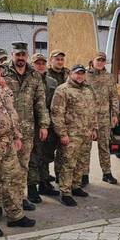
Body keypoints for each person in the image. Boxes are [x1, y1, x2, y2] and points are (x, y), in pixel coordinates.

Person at [0, 56, 35, 238]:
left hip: (8, 144)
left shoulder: (2, 89)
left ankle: (15, 215)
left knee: (13, 179)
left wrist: (17, 136)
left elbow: (12, 113)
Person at [2, 42, 50, 211]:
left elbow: (40, 102)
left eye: (23, 54)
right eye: (17, 54)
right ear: (12, 53)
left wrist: (44, 125)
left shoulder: (34, 75)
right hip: (5, 131)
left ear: (27, 55)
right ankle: (0, 203)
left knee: (23, 166)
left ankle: (20, 199)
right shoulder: (1, 72)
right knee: (4, 168)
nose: (20, 58)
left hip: (27, 130)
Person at [51, 64, 98, 207]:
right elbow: (56, 113)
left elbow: (93, 110)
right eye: (77, 73)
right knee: (68, 163)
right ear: (71, 73)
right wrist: (62, 134)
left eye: (82, 73)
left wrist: (94, 129)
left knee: (81, 162)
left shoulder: (88, 89)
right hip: (71, 135)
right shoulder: (62, 90)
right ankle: (65, 192)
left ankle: (75, 186)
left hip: (86, 133)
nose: (80, 76)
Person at [29, 53, 60, 202]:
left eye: (42, 63)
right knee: (34, 157)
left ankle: (44, 182)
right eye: (37, 63)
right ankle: (32, 187)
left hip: (48, 124)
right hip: (33, 124)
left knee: (47, 154)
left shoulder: (52, 81)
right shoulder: (29, 80)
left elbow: (55, 104)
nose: (40, 65)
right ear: (32, 64)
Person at [84, 52, 119, 185]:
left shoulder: (109, 77)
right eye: (98, 60)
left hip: (104, 117)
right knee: (85, 147)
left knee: (104, 146)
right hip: (87, 117)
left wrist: (115, 114)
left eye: (103, 60)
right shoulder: (84, 74)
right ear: (92, 61)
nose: (100, 62)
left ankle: (107, 173)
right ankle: (84, 174)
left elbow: (114, 96)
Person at [46, 49, 70, 183]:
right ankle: (44, 177)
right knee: (47, 151)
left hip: (65, 118)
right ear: (51, 60)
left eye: (61, 59)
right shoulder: (45, 74)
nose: (60, 62)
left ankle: (60, 176)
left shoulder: (68, 73)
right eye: (57, 59)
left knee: (62, 151)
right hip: (50, 117)